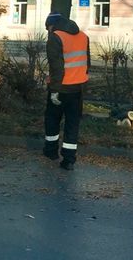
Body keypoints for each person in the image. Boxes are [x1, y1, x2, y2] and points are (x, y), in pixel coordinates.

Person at [43, 12, 90, 170]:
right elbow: (87, 63)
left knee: (52, 119)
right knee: (72, 123)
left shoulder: (55, 37)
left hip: (60, 88)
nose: (48, 31)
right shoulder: (83, 36)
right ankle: (69, 159)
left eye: (48, 28)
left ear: (52, 25)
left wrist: (54, 90)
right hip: (78, 89)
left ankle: (51, 151)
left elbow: (56, 67)